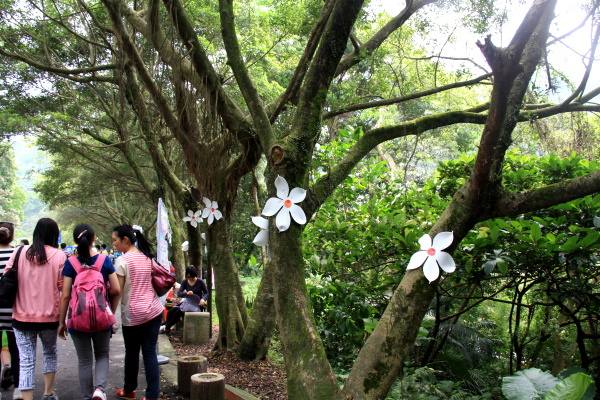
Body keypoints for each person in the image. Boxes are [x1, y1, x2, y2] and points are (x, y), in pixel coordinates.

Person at [58, 224, 120, 400]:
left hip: (78, 319)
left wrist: (62, 322)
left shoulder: (70, 263)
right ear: (93, 239)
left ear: (76, 240)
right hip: (102, 318)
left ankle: (86, 396)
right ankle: (99, 390)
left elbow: (66, 296)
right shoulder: (104, 261)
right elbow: (116, 290)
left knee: (84, 360)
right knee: (102, 354)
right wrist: (110, 314)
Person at [5, 218, 65, 400]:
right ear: (54, 235)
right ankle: (48, 393)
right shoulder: (60, 255)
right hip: (50, 317)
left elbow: (6, 276)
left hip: (21, 316)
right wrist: (63, 321)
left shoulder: (19, 252)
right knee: (49, 353)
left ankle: (27, 398)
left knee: (26, 360)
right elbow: (64, 288)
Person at [111, 225, 163, 400]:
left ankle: (129, 391)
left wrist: (111, 314)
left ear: (125, 239)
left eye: (115, 240)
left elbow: (117, 291)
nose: (114, 244)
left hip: (133, 314)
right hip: (154, 311)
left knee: (132, 353)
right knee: (149, 353)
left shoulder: (122, 261)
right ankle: (152, 396)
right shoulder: (148, 258)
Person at [0, 221, 21, 399]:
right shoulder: (18, 254)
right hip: (13, 308)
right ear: (12, 236)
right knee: (15, 349)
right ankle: (18, 389)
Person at [160, 265, 208, 334]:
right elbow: (179, 294)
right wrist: (187, 294)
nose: (190, 279)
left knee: (179, 311)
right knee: (171, 311)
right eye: (189, 277)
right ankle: (167, 327)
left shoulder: (200, 282)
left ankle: (167, 327)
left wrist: (203, 299)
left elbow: (206, 293)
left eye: (192, 277)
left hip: (197, 303)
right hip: (187, 302)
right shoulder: (185, 281)